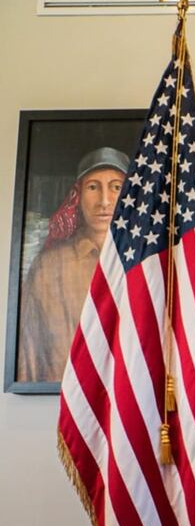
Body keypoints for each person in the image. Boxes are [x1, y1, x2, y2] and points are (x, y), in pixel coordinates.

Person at [17, 147, 130, 383]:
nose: (104, 201)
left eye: (116, 187)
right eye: (93, 187)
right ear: (77, 196)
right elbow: (27, 351)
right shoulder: (48, 268)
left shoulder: (147, 264)